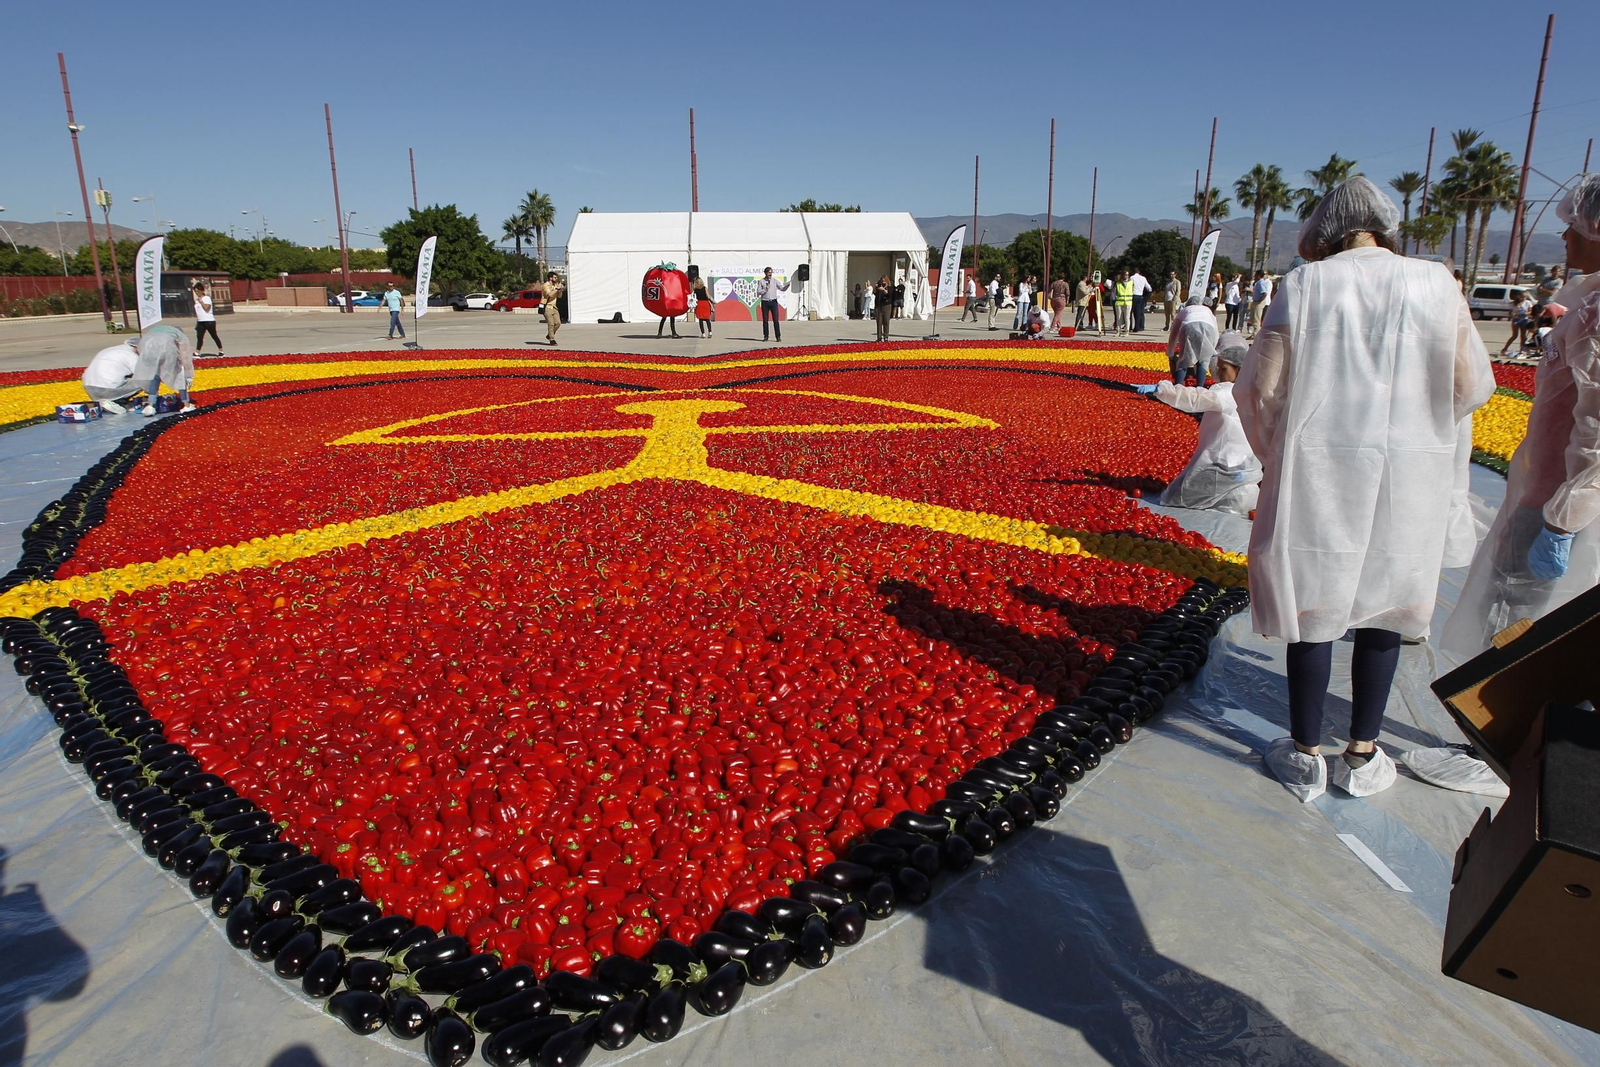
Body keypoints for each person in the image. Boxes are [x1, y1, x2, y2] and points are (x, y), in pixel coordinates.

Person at [1234, 176, 1495, 803]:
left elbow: (1261, 388)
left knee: (1314, 606)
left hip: (1323, 468)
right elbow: (1473, 385)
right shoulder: (1438, 283)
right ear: (1385, 225)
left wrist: (1281, 450)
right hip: (1412, 472)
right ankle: (1363, 750)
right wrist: (1418, 429)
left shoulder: (1305, 285)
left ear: (1325, 229)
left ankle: (1305, 753)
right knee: (1389, 603)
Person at [1440, 174, 1600, 664]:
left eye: (1575, 226)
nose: (1566, 236)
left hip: (1557, 500)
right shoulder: (1585, 301)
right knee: (1511, 615)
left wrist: (1562, 521)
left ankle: (1508, 731)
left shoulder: (1596, 321)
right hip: (1544, 492)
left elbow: (1597, 433)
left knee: (1523, 628)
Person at [1134, 331, 1261, 515]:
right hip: (1242, 466)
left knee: (1175, 497)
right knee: (1235, 502)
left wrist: (1163, 390)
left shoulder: (1229, 392)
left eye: (1224, 368)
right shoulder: (1251, 391)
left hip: (1220, 464)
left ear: (1240, 369)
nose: (1218, 373)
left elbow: (1198, 398)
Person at [135, 323, 198, 416]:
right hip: (166, 347)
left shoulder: (156, 330)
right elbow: (185, 357)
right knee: (179, 374)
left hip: (146, 345)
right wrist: (188, 376)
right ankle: (186, 405)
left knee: (155, 375)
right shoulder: (180, 335)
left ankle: (150, 406)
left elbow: (141, 348)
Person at [81, 336, 143, 414]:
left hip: (90, 388)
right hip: (107, 390)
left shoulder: (112, 350)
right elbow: (145, 374)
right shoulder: (131, 355)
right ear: (135, 346)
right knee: (145, 381)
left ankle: (113, 402)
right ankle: (112, 401)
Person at [1166, 295, 1219, 384]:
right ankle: (1200, 387)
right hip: (1209, 328)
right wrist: (1213, 349)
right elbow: (1216, 332)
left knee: (1184, 359)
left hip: (1188, 326)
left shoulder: (1185, 310)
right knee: (1204, 360)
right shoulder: (1208, 311)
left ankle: (1178, 386)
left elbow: (1173, 333)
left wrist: (1170, 353)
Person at [755, 266, 790, 341]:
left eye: (771, 272)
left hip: (773, 302)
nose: (770, 274)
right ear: (765, 273)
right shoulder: (761, 281)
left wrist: (787, 286)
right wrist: (765, 290)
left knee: (776, 320)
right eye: (768, 272)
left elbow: (782, 288)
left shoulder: (775, 281)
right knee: (765, 320)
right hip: (765, 302)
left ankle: (778, 336)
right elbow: (758, 292)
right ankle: (766, 336)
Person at [192, 282, 223, 357]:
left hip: (209, 321)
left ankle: (221, 351)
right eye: (195, 291)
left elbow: (206, 308)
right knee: (199, 337)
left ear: (202, 291)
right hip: (200, 321)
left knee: (214, 335)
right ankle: (197, 352)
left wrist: (201, 302)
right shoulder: (196, 301)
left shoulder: (207, 298)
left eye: (198, 291)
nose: (197, 293)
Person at [1500, 289, 1534, 355]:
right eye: (1522, 297)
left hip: (1524, 319)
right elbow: (1510, 313)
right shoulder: (1514, 303)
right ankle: (1504, 349)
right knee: (1514, 335)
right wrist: (1513, 314)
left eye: (1525, 297)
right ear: (1518, 296)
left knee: (1523, 335)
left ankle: (1522, 349)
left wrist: (1525, 313)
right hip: (1516, 320)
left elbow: (1530, 311)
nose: (1523, 298)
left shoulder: (1528, 303)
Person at [1247, 269, 1273, 338]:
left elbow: (1264, 293)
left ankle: (1256, 334)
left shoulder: (1261, 283)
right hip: (1255, 301)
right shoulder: (1258, 283)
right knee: (1252, 318)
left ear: (1258, 275)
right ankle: (1254, 333)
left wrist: (1259, 301)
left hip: (1258, 302)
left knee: (1256, 319)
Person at [540, 272, 563, 345]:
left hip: (554, 307)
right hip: (547, 307)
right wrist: (556, 288)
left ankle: (549, 335)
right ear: (550, 278)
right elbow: (550, 294)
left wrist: (560, 290)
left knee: (558, 323)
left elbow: (559, 296)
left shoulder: (555, 285)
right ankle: (552, 339)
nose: (556, 279)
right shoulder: (545, 285)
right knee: (551, 323)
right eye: (555, 278)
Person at [873, 276, 893, 341]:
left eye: (884, 281)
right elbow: (874, 293)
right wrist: (875, 287)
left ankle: (886, 336)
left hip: (886, 306)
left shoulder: (889, 287)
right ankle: (879, 337)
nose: (883, 282)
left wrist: (883, 290)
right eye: (882, 281)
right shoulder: (879, 287)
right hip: (878, 306)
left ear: (887, 281)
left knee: (886, 321)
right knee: (879, 322)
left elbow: (889, 295)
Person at [1113, 271, 1134, 335]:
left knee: (1127, 317)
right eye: (1125, 274)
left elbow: (1133, 291)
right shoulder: (1118, 283)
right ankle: (1118, 331)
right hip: (1119, 302)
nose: (1126, 276)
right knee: (1119, 317)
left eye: (1127, 275)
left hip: (1128, 302)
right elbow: (1115, 292)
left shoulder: (1131, 283)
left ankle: (1126, 331)